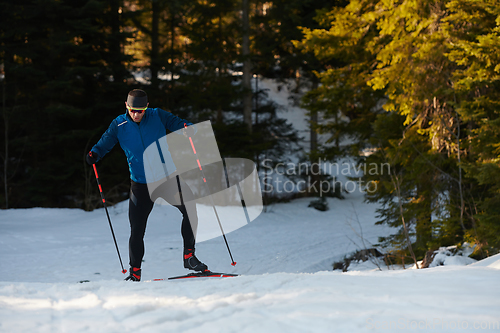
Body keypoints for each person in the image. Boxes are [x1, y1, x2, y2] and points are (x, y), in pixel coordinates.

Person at [86, 89, 208, 281]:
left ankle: (189, 257)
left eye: (140, 110)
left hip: (167, 178)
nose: (136, 114)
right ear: (126, 106)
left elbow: (177, 123)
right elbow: (105, 142)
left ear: (146, 107)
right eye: (133, 110)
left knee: (190, 209)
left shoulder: (157, 115)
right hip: (141, 184)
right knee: (137, 229)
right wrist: (95, 153)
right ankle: (135, 272)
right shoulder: (119, 124)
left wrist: (188, 127)